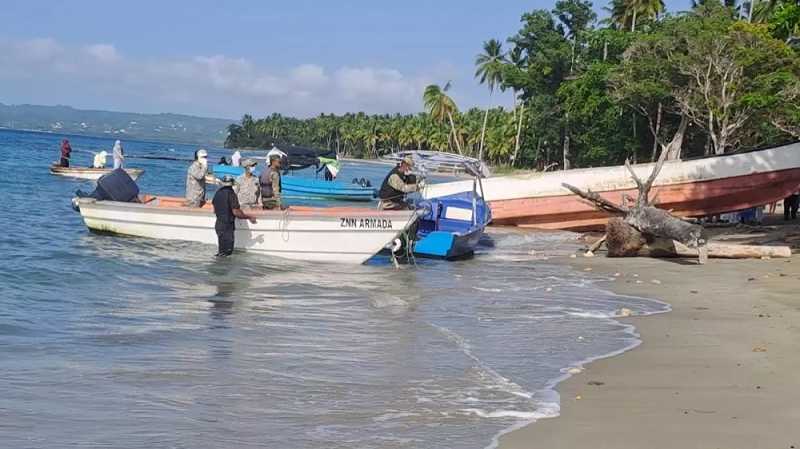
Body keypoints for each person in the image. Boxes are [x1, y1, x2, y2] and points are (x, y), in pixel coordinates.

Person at [212, 174, 257, 257]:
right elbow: (236, 212)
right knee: (227, 253)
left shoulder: (217, 193)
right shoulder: (231, 194)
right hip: (227, 226)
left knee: (221, 252)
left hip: (219, 224)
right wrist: (249, 217)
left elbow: (215, 210)